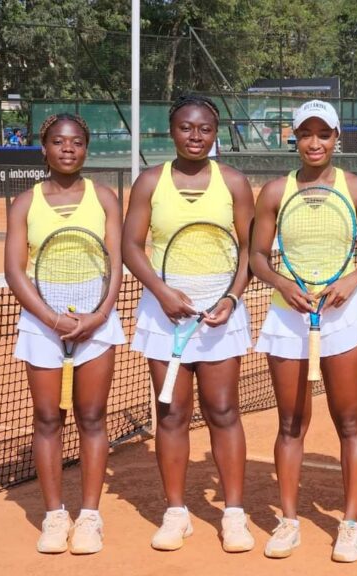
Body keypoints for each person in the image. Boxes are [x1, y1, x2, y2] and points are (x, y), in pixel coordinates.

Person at [122, 94, 255, 553]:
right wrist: (162, 293)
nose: (195, 136)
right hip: (165, 312)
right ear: (170, 130)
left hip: (221, 311)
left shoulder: (234, 182)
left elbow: (249, 250)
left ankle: (233, 514)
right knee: (172, 414)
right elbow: (131, 246)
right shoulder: (150, 182)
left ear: (215, 134)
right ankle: (176, 512)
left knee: (223, 410)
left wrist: (232, 298)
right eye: (186, 127)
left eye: (204, 129)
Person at [249, 100, 357, 562]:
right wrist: (282, 283)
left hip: (345, 313)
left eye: (323, 133)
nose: (314, 142)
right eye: (305, 133)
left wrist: (353, 280)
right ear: (295, 138)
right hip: (289, 315)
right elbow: (257, 256)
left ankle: (350, 524)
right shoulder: (274, 192)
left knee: (350, 421)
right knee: (290, 423)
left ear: (336, 137)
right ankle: (288, 521)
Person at [4, 113, 125, 554]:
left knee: (91, 416)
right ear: (44, 148)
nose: (68, 148)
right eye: (58, 141)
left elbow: (116, 262)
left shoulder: (105, 198)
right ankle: (55, 516)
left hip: (96, 321)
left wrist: (99, 314)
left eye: (76, 141)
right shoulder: (25, 203)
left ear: (86, 148)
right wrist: (51, 319)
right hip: (42, 323)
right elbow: (14, 271)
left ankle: (89, 516)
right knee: (47, 418)